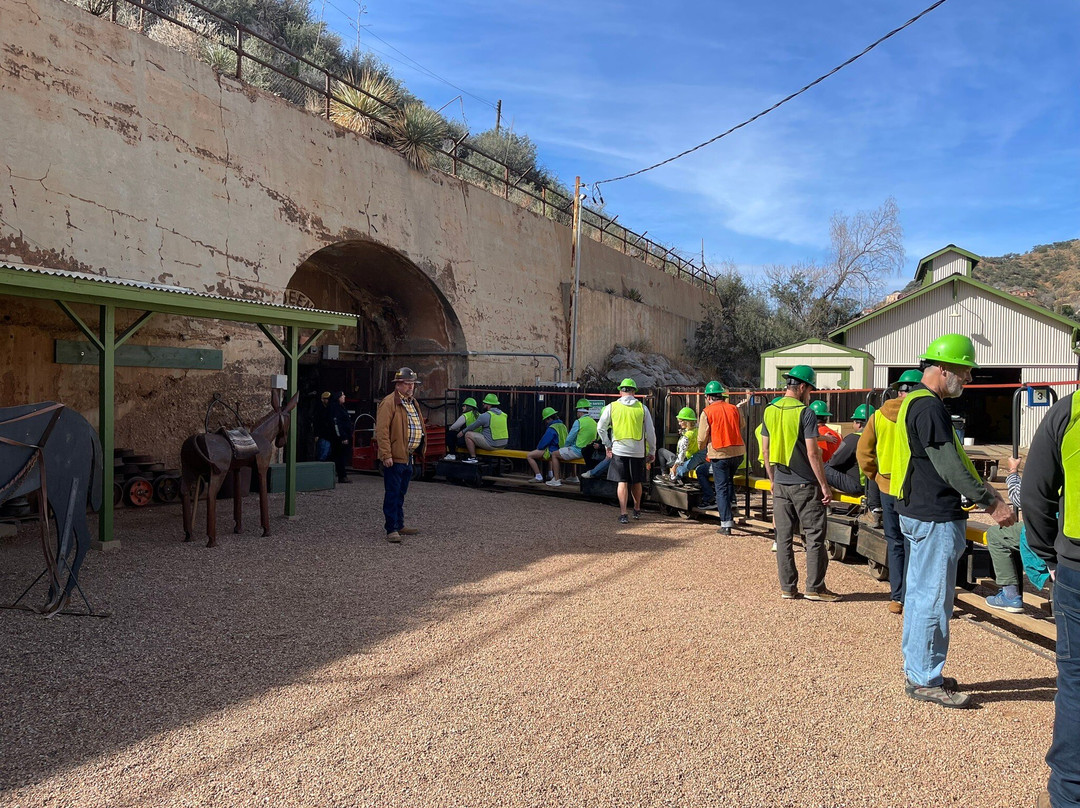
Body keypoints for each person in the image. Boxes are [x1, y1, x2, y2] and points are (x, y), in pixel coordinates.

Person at [890, 335, 1014, 708]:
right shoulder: (929, 408)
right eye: (964, 371)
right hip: (934, 516)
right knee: (933, 598)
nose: (969, 379)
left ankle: (919, 669)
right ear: (943, 369)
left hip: (915, 510)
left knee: (918, 593)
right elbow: (949, 465)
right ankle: (926, 678)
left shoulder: (912, 401)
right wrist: (992, 502)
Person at [1021, 390, 1080, 808]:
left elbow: (1035, 491)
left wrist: (1047, 556)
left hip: (1078, 565)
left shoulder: (1070, 411)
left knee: (1076, 684)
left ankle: (1068, 794)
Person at [761, 365, 839, 602]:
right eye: (810, 390)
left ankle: (788, 587)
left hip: (781, 483)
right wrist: (824, 486)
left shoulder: (770, 410)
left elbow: (765, 449)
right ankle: (815, 588)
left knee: (783, 537)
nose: (810, 395)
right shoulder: (806, 413)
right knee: (815, 536)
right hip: (805, 483)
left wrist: (773, 480)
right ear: (803, 387)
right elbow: (813, 454)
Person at [858, 369, 922, 615]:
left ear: (897, 391)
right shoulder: (921, 413)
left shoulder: (878, 416)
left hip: (887, 486)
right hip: (915, 487)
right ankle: (914, 595)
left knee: (895, 541)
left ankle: (897, 598)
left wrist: (876, 476)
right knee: (914, 543)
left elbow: (864, 453)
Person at [984, 456, 1050, 614]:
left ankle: (1010, 595)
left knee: (994, 535)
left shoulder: (1051, 465)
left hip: (1047, 531)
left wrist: (1013, 471)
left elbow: (1020, 497)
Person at [375, 367, 426, 543]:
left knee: (401, 492)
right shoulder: (389, 403)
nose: (411, 386)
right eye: (407, 383)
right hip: (395, 457)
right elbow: (381, 431)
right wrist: (386, 454)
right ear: (398, 384)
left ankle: (399, 524)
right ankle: (391, 528)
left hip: (408, 455)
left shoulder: (412, 402)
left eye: (412, 383)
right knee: (392, 492)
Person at [596, 378, 656, 524]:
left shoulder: (612, 407)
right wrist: (652, 450)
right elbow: (650, 431)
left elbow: (600, 428)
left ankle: (623, 513)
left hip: (619, 449)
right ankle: (636, 509)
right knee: (637, 481)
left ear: (620, 391)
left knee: (622, 482)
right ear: (634, 391)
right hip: (638, 450)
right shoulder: (642, 408)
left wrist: (608, 444)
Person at [697, 381, 745, 535]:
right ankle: (732, 505)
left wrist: (701, 447)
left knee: (721, 487)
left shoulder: (707, 412)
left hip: (719, 453)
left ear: (708, 397)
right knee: (729, 481)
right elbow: (741, 425)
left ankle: (726, 524)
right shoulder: (734, 409)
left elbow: (702, 436)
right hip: (738, 452)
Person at [822, 404, 873, 496]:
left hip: (856, 485)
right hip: (872, 485)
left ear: (859, 424)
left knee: (819, 467)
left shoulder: (853, 438)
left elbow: (834, 461)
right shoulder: (878, 438)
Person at [551, 399, 597, 484]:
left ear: (580, 412)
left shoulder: (578, 422)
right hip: (589, 452)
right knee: (570, 449)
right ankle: (573, 476)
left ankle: (556, 479)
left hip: (578, 451)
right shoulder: (594, 422)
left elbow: (570, 438)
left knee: (554, 454)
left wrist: (565, 446)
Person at [461, 393, 509, 462]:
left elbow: (473, 426)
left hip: (492, 444)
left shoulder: (486, 415)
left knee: (468, 434)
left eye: (484, 403)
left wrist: (462, 432)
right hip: (504, 444)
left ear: (489, 405)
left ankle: (473, 458)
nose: (483, 404)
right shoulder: (504, 415)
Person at [665, 407, 705, 485]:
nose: (679, 423)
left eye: (680, 421)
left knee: (662, 452)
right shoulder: (697, 429)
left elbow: (681, 454)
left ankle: (671, 476)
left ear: (686, 422)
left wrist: (674, 467)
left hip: (685, 459)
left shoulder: (686, 437)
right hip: (693, 458)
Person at [527, 407, 566, 484]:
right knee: (550, 455)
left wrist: (539, 448)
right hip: (562, 450)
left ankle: (538, 476)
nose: (546, 422)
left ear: (549, 418)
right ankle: (550, 474)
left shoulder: (552, 428)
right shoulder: (562, 425)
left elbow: (544, 443)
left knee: (529, 456)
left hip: (553, 450)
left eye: (546, 420)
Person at [327, 390, 353, 483]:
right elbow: (336, 424)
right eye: (342, 395)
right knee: (339, 456)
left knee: (340, 456)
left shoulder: (342, 407)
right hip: (339, 438)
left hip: (343, 435)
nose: (344, 396)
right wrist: (342, 437)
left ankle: (340, 474)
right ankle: (342, 475)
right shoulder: (335, 408)